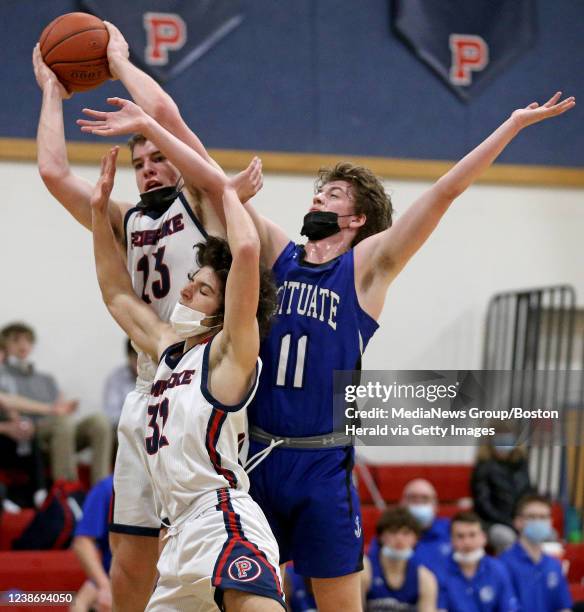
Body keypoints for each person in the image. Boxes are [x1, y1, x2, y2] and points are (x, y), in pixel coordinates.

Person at [235, 92, 574, 611]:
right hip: (257, 454)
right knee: (240, 599)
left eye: (333, 195)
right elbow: (211, 182)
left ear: (358, 219)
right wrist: (151, 114)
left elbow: (444, 192)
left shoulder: (367, 267)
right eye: (318, 192)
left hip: (321, 461)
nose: (318, 200)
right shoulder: (280, 254)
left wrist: (511, 126)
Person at [33, 22, 261, 612]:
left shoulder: (206, 200)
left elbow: (162, 110)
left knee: (206, 526)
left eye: (160, 157)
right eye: (141, 162)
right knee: (128, 552)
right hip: (151, 374)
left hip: (210, 372)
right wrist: (50, 94)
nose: (150, 168)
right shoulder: (126, 217)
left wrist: (118, 62)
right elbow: (55, 174)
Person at [89, 144, 283, 610]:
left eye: (204, 289)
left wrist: (227, 196)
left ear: (224, 311)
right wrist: (99, 214)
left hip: (220, 517)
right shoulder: (168, 350)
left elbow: (247, 248)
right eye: (191, 279)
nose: (188, 288)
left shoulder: (229, 354)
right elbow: (116, 293)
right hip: (175, 537)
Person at [1, 322, 111, 487]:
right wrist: (54, 409)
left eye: (27, 340)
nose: (22, 345)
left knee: (99, 421)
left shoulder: (46, 379)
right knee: (63, 422)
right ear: (5, 345)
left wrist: (63, 407)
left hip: (59, 430)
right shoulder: (3, 375)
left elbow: (61, 409)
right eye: (16, 340)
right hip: (30, 434)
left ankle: (101, 488)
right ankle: (68, 490)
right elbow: (10, 405)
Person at [499, 494, 572, 612]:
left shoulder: (554, 565)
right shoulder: (503, 564)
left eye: (543, 517)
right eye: (532, 517)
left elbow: (563, 607)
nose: (538, 522)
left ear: (550, 522)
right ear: (518, 522)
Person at [362, 506, 438, 611]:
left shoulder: (425, 578)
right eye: (393, 532)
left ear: (416, 538)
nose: (399, 538)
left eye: (406, 533)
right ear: (381, 536)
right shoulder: (365, 569)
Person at [438, 511, 517, 612]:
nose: (467, 542)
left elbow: (508, 608)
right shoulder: (440, 572)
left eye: (472, 535)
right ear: (451, 540)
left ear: (483, 538)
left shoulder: (498, 569)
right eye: (460, 536)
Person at [472, 434, 533, 554]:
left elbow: (527, 496)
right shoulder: (483, 467)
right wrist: (509, 522)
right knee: (506, 537)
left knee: (548, 535)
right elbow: (483, 505)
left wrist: (523, 519)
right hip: (491, 522)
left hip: (519, 519)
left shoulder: (521, 466)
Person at [71, 474, 114, 612]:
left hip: (164, 577)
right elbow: (82, 543)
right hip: (116, 575)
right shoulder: (107, 488)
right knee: (79, 604)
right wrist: (104, 585)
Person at [400, 479, 452, 583]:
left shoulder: (451, 530)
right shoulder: (390, 533)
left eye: (425, 499)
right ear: (402, 503)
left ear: (436, 505)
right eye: (413, 498)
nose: (419, 504)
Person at [102, 339, 137, 430]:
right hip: (124, 428)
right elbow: (112, 414)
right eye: (136, 357)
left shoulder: (158, 375)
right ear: (129, 357)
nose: (142, 363)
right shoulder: (116, 378)